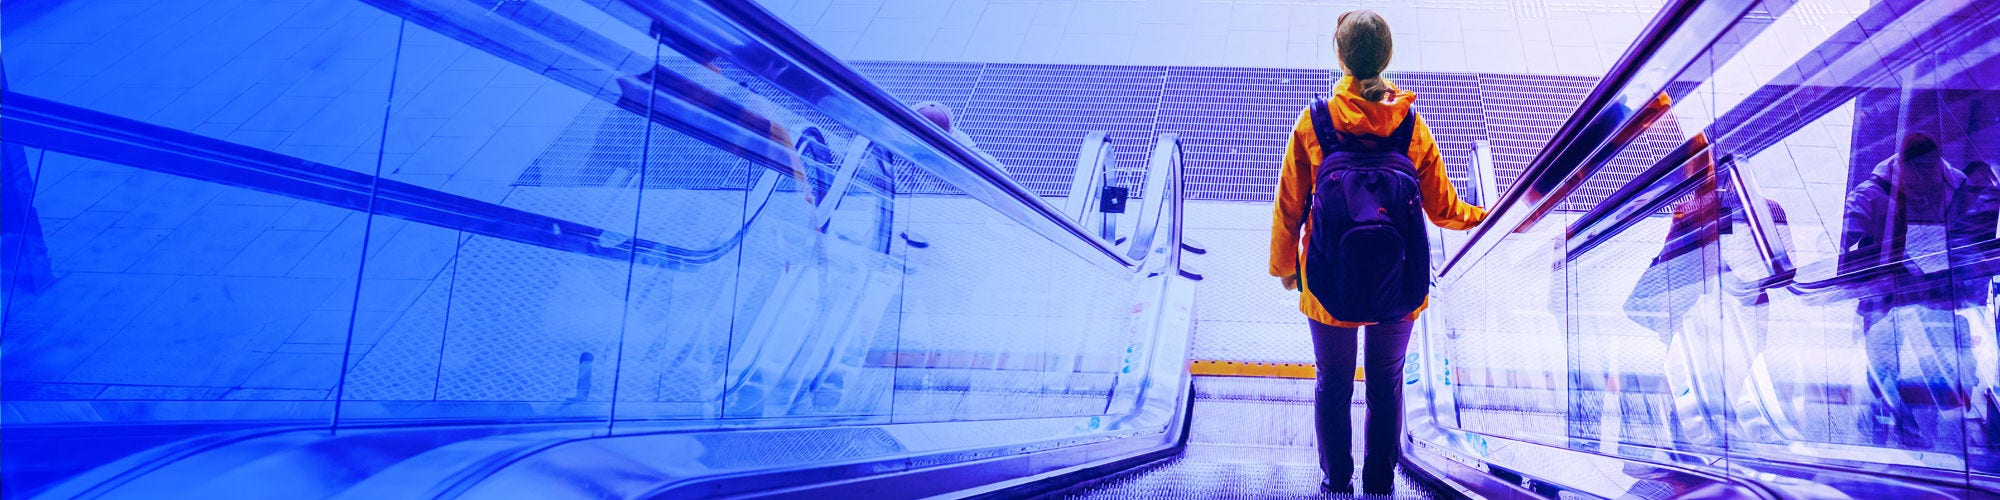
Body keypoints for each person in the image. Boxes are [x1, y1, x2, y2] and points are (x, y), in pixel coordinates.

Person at [1267, 10, 1486, 494]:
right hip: (1398, 286)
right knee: (1385, 386)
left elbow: (1289, 207)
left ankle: (1336, 482)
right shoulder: (1410, 125)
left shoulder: (1315, 122)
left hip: (1327, 284)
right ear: (1388, 58)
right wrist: (1485, 218)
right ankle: (1380, 484)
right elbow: (1444, 208)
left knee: (1333, 385)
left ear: (1340, 57)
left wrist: (1286, 269)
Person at [1841, 132, 1966, 450]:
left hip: (1928, 297)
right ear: (1902, 168)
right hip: (1884, 297)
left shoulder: (1954, 185)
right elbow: (1841, 238)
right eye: (1916, 175)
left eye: (1929, 174)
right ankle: (1895, 426)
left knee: (1931, 366)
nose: (1923, 184)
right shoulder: (1872, 195)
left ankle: (1912, 428)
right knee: (1884, 365)